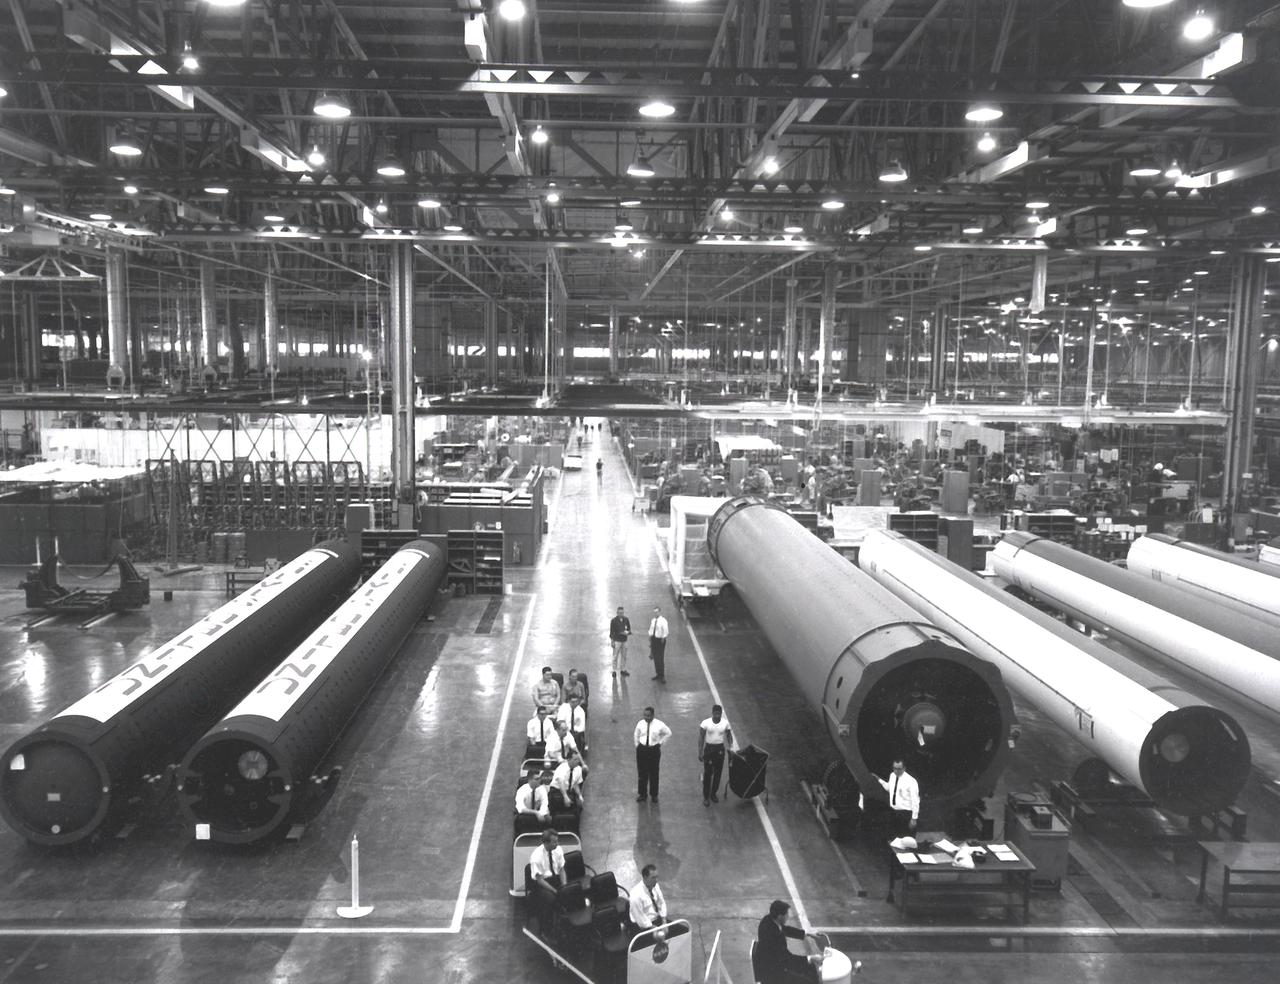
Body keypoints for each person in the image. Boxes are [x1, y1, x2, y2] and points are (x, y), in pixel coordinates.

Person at [755, 899, 823, 984]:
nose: (788, 916)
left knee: (810, 967)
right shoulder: (774, 937)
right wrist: (811, 958)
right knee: (806, 981)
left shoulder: (768, 920)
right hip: (773, 973)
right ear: (780, 916)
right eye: (786, 914)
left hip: (771, 963)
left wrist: (806, 933)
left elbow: (784, 929)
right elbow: (787, 960)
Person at [633, 706, 672, 802]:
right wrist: (637, 745)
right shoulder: (640, 723)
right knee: (642, 773)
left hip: (653, 750)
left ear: (653, 715)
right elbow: (636, 734)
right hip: (642, 750)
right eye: (645, 715)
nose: (647, 718)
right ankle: (642, 794)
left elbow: (668, 733)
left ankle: (654, 795)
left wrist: (660, 743)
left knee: (654, 773)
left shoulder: (659, 724)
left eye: (649, 716)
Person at [698, 704, 733, 807]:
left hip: (720, 750)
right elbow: (701, 738)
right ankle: (706, 796)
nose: (717, 715)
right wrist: (700, 751)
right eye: (715, 713)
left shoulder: (725, 723)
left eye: (719, 714)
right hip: (709, 750)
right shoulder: (705, 723)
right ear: (712, 713)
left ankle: (713, 794)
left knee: (718, 773)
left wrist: (731, 748)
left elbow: (729, 736)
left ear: (721, 714)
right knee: (708, 774)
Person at [877, 758, 919, 836]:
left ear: (904, 768)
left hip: (906, 814)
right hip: (894, 813)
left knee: (907, 840)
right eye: (894, 768)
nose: (896, 771)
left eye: (899, 769)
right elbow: (889, 789)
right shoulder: (892, 775)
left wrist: (914, 818)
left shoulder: (911, 781)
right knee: (895, 840)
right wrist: (879, 780)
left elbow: (915, 801)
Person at [628, 863, 668, 935]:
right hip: (643, 925)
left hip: (656, 919)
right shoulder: (636, 894)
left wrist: (664, 921)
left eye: (657, 877)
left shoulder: (655, 885)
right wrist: (654, 928)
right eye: (653, 878)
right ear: (645, 877)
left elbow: (661, 902)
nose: (656, 880)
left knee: (680, 930)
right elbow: (640, 918)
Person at [648, 605, 669, 682]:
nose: (656, 613)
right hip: (654, 639)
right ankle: (658, 674)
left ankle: (662, 675)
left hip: (660, 640)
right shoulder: (653, 620)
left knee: (660, 657)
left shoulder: (663, 621)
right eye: (655, 612)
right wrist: (650, 636)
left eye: (657, 612)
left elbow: (665, 630)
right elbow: (651, 629)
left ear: (660, 612)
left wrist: (663, 638)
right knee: (655, 658)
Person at [609, 606, 632, 678]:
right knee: (615, 656)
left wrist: (627, 633)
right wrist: (612, 641)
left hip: (624, 641)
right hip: (617, 641)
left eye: (622, 613)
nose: (621, 614)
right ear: (617, 613)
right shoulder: (613, 621)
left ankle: (623, 669)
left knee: (624, 656)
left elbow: (629, 629)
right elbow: (612, 632)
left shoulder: (626, 620)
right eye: (619, 613)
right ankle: (614, 670)